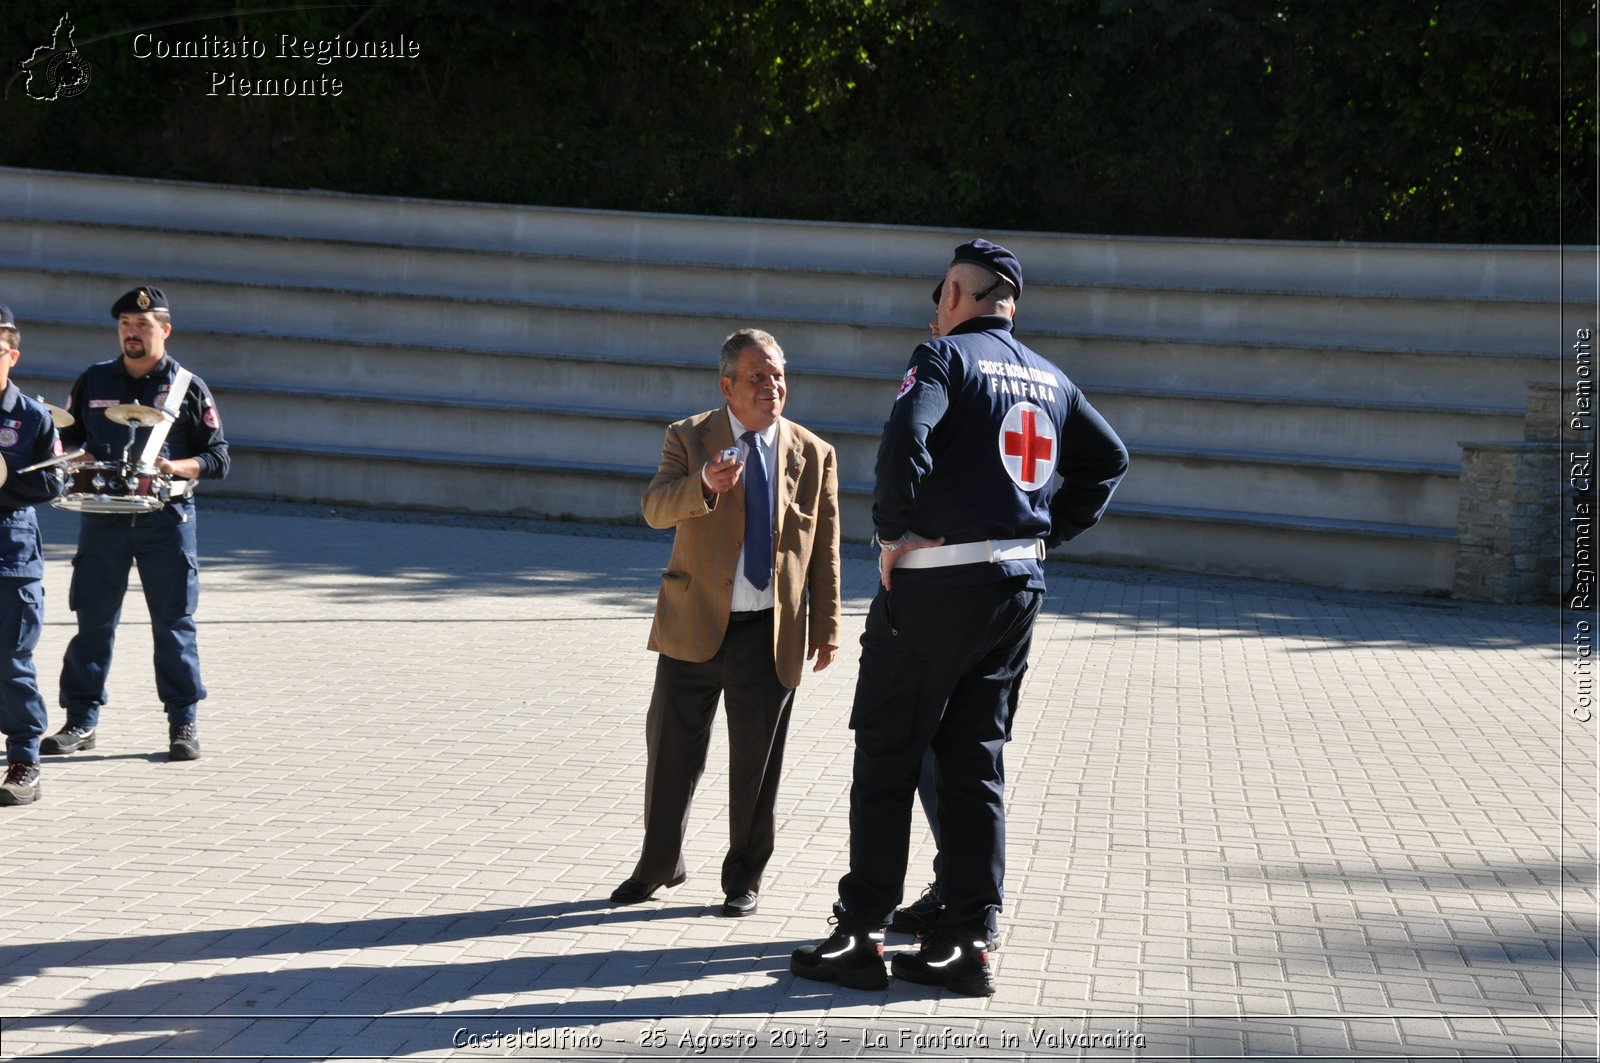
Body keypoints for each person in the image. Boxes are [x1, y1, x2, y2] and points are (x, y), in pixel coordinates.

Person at [792, 239, 1128, 995]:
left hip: (936, 586)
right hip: (1016, 589)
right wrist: (1045, 531)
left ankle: (862, 935)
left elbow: (906, 435)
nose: (935, 309)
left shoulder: (943, 358)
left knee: (887, 753)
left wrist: (891, 532)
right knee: (975, 761)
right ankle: (968, 944)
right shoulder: (1050, 377)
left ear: (956, 294)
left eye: (940, 294)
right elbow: (1110, 459)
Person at [609, 328, 841, 918]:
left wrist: (828, 625)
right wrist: (702, 486)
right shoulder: (689, 437)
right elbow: (655, 508)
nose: (773, 387)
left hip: (768, 631)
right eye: (758, 377)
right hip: (693, 624)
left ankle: (743, 878)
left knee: (756, 765)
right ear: (728, 385)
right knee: (671, 754)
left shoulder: (813, 452)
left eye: (779, 375)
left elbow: (826, 548)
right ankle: (658, 864)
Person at [40, 285, 229, 762]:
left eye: (143, 325)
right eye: (125, 324)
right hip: (102, 517)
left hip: (165, 517)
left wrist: (175, 467)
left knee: (173, 624)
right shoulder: (94, 379)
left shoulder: (188, 386)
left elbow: (218, 458)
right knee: (93, 623)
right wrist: (60, 455)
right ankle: (81, 721)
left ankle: (182, 721)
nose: (132, 332)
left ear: (164, 330)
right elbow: (71, 438)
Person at [0, 305, 66, 806]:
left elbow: (53, 480)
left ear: (12, 355)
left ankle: (24, 760)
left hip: (10, 554)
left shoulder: (32, 417)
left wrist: (4, 479)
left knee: (11, 661)